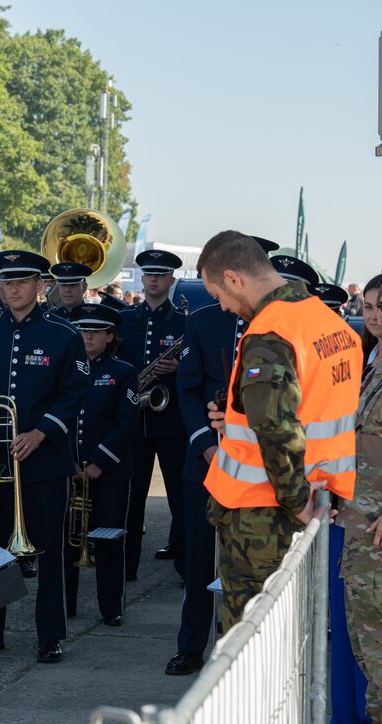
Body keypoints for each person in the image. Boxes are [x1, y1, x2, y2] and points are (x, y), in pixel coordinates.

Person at [198, 230, 359, 628]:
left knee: (250, 648)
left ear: (235, 279)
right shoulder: (327, 320)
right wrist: (234, 413)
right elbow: (309, 407)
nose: (221, 307)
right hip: (316, 499)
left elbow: (274, 425)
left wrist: (295, 500)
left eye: (218, 293)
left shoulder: (270, 331)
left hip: (264, 515)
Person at [0, 249, 88, 663]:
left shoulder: (64, 334)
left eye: (21, 282)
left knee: (48, 550)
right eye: (6, 282)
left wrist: (41, 431)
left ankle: (49, 634)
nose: (11, 289)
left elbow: (75, 394)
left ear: (39, 285)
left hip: (45, 461)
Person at [165, 234, 279, 677]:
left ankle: (246, 650)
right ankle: (192, 645)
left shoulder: (279, 323)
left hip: (261, 467)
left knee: (253, 565)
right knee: (198, 559)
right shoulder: (205, 320)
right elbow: (187, 387)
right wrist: (205, 446)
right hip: (208, 461)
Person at [64, 303, 138, 627]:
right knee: (66, 538)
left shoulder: (124, 371)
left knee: (109, 537)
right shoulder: (65, 368)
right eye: (83, 330)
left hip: (108, 471)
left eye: (95, 331)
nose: (88, 336)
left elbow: (126, 424)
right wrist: (67, 462)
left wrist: (98, 462)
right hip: (68, 468)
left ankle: (111, 606)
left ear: (110, 336)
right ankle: (64, 604)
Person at [117, 250, 188, 581]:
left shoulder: (184, 323)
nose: (155, 279)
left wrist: (178, 367)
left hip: (171, 422)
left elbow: (196, 369)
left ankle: (185, 565)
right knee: (131, 499)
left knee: (179, 497)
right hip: (135, 422)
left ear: (171, 280)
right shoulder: (125, 320)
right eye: (149, 274)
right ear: (143, 279)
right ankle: (126, 565)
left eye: (161, 275)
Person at [342, 272, 382, 720]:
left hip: (377, 534)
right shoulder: (370, 360)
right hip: (358, 525)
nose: (374, 316)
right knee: (367, 656)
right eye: (369, 307)